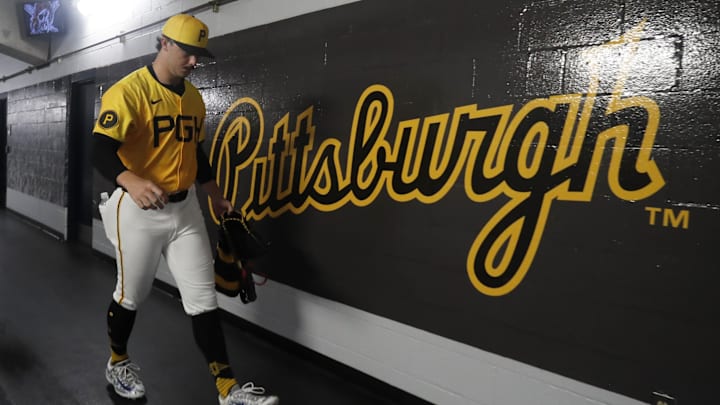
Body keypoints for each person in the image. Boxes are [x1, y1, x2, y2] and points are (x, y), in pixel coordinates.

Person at [92, 13, 279, 405]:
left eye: (199, 55)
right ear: (165, 44)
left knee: (203, 300)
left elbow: (195, 149)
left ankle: (228, 390)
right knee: (131, 295)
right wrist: (132, 180)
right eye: (189, 52)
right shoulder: (128, 91)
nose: (195, 62)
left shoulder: (193, 97)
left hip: (185, 209)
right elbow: (100, 149)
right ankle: (118, 361)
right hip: (138, 210)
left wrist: (213, 192)